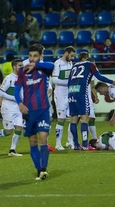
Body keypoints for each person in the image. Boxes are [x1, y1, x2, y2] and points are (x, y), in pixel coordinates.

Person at [14, 44, 55, 180]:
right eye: (30, 56)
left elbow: (52, 66)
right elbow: (16, 90)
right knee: (32, 141)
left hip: (43, 110)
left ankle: (43, 169)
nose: (32, 59)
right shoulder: (22, 71)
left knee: (43, 139)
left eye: (35, 56)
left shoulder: (44, 69)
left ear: (41, 56)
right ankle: (39, 169)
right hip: (29, 112)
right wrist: (20, 103)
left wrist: (36, 66)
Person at [68, 52, 115, 150]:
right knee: (85, 118)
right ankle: (85, 145)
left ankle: (76, 145)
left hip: (71, 91)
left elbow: (69, 81)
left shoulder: (75, 65)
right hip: (81, 93)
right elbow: (99, 77)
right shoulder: (91, 65)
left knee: (73, 120)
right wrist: (113, 82)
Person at [52, 46, 76, 150]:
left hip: (70, 93)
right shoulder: (57, 64)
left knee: (73, 117)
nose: (72, 58)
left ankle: (70, 141)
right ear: (66, 53)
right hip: (60, 94)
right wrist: (69, 82)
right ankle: (58, 143)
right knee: (61, 119)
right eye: (71, 55)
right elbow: (55, 80)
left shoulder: (70, 63)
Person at [0, 59, 23, 156]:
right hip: (8, 107)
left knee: (19, 128)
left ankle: (12, 150)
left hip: (18, 108)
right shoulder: (9, 78)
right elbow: (1, 92)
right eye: (19, 65)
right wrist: (14, 98)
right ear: (14, 66)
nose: (21, 67)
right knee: (8, 131)